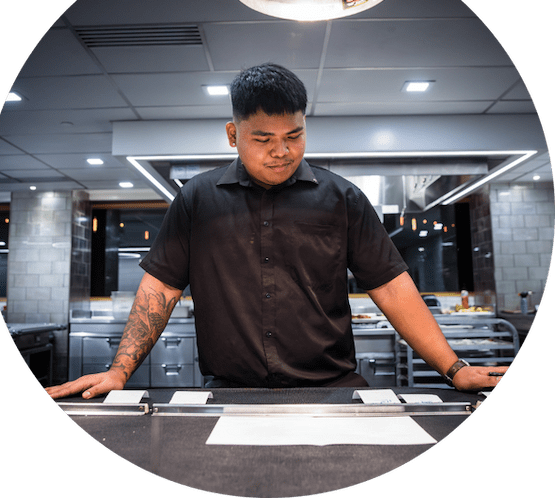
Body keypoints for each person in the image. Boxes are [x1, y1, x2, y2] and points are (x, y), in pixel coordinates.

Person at [46, 63, 507, 399]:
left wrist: (455, 368)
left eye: (295, 136)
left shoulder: (342, 198)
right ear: (233, 135)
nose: (282, 152)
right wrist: (119, 372)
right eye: (263, 139)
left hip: (334, 389)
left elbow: (392, 288)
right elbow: (160, 289)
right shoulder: (197, 201)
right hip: (229, 394)